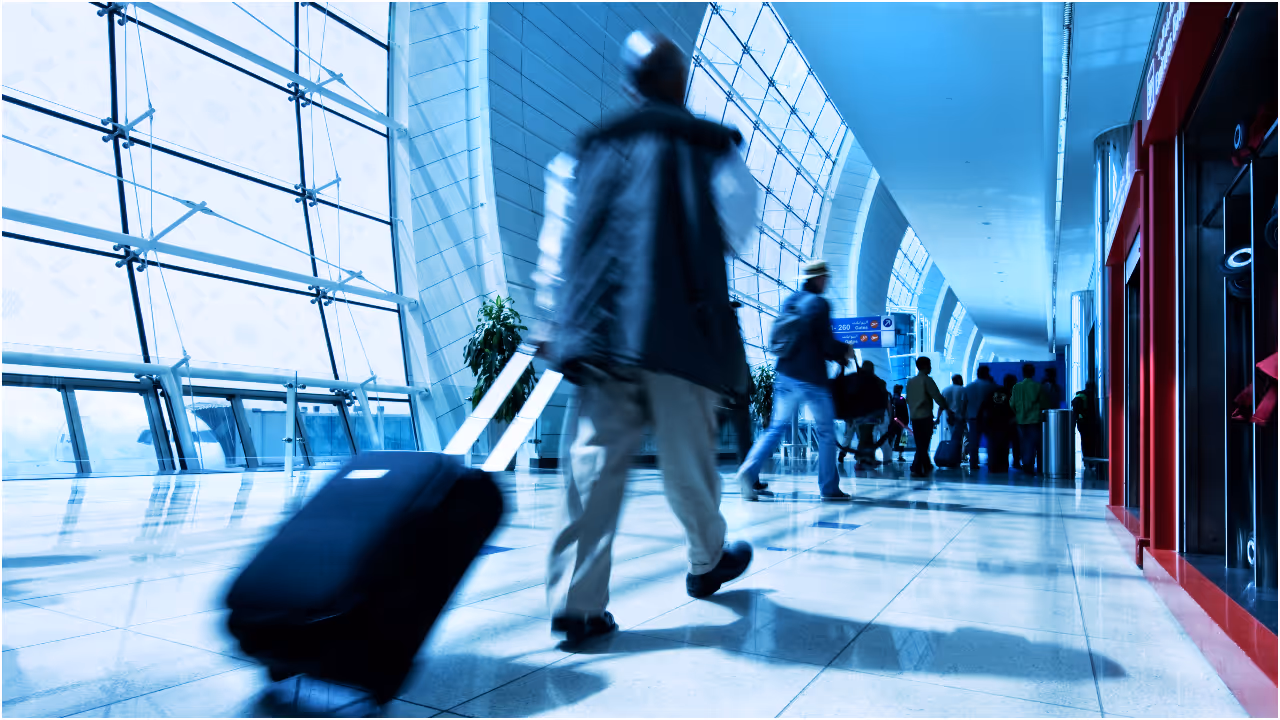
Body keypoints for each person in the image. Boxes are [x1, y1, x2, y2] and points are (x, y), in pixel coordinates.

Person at [533, 31, 758, 649]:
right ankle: (706, 559)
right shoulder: (713, 147)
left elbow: (556, 248)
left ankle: (577, 605)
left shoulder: (584, 153)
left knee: (592, 469)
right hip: (680, 333)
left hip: (601, 336)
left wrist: (552, 317)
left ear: (629, 84)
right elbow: (740, 232)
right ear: (681, 82)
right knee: (689, 465)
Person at [736, 261, 855, 501]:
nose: (827, 281)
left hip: (785, 374)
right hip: (812, 379)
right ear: (819, 278)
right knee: (825, 431)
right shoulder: (820, 304)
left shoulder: (790, 301)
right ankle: (829, 488)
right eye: (825, 277)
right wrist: (845, 352)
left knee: (775, 428)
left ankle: (748, 472)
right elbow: (825, 343)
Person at [724, 302, 770, 496]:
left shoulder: (732, 331)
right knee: (744, 441)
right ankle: (750, 482)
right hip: (730, 395)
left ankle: (752, 480)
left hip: (738, 394)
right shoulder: (725, 332)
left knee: (746, 441)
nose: (737, 313)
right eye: (733, 309)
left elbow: (742, 362)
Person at [906, 356, 955, 477]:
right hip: (925, 416)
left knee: (920, 443)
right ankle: (917, 467)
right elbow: (937, 396)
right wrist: (946, 407)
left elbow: (908, 399)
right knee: (924, 443)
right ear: (925, 366)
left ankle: (925, 465)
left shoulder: (911, 381)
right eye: (929, 365)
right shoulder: (927, 380)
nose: (931, 368)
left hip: (914, 416)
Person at [837, 361, 889, 471]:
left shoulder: (857, 381)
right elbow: (883, 399)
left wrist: (849, 415)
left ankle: (864, 459)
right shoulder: (878, 382)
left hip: (859, 415)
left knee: (864, 437)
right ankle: (862, 460)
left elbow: (850, 398)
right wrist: (881, 414)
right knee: (866, 437)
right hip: (870, 415)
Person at [1011, 363, 1047, 474]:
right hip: (1034, 420)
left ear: (1023, 373)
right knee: (1034, 444)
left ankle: (1026, 465)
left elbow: (1012, 404)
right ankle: (1034, 467)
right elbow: (1044, 404)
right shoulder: (1038, 386)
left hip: (1020, 420)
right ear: (1033, 373)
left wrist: (1018, 414)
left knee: (1024, 443)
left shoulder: (1016, 387)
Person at [963, 366, 999, 470]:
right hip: (989, 417)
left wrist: (963, 415)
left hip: (973, 418)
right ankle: (991, 461)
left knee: (974, 441)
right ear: (987, 373)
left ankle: (973, 462)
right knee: (991, 440)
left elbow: (964, 403)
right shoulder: (992, 387)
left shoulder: (968, 387)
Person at [980, 374, 1016, 471]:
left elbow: (984, 408)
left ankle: (993, 466)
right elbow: (1015, 410)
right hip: (1005, 424)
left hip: (991, 424)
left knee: (992, 446)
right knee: (1004, 448)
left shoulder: (991, 392)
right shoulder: (1011, 394)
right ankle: (1003, 467)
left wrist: (983, 425)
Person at [939, 374, 967, 449]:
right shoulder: (962, 389)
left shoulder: (945, 390)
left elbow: (941, 405)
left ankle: (954, 453)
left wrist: (938, 417)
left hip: (949, 416)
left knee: (952, 435)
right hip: (960, 416)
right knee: (960, 437)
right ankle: (959, 454)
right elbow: (964, 403)